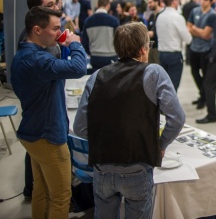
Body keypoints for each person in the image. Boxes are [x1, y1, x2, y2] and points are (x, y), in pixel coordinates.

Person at [74, 22, 185, 219]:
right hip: (137, 167)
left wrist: (107, 137)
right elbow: (177, 118)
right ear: (144, 48)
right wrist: (159, 144)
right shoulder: (153, 73)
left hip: (102, 168)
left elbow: (80, 128)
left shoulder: (96, 76)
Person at [11, 6, 87, 218]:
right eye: (55, 29)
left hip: (33, 133)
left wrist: (61, 45)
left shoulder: (26, 54)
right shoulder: (37, 61)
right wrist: (74, 45)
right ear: (37, 30)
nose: (59, 32)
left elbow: (59, 68)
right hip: (48, 137)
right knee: (61, 196)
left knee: (42, 190)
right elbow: (78, 67)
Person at [18, 0, 61, 201]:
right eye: (50, 5)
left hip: (46, 111)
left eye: (56, 3)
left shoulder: (42, 39)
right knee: (60, 196)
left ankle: (33, 189)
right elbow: (71, 67)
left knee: (42, 187)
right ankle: (30, 188)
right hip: (44, 122)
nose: (56, 7)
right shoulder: (31, 46)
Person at [156, 0, 192, 91]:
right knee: (172, 87)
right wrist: (188, 32)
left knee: (164, 85)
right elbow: (188, 39)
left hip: (162, 54)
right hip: (174, 55)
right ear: (174, 1)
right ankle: (169, 106)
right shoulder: (177, 17)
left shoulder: (160, 16)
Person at [187, 0, 216, 109]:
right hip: (194, 48)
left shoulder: (212, 15)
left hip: (206, 49)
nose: (202, 2)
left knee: (205, 75)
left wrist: (194, 29)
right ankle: (202, 94)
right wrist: (198, 31)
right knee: (194, 73)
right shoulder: (195, 11)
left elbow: (206, 34)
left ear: (210, 1)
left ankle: (203, 98)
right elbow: (188, 27)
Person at [81, 0, 119, 71]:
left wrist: (90, 52)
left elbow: (84, 42)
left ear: (97, 5)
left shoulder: (88, 21)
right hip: (111, 56)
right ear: (108, 6)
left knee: (96, 80)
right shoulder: (114, 21)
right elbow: (119, 40)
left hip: (95, 57)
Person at [146, 0, 163, 64]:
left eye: (150, 2)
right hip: (150, 48)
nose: (149, 5)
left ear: (157, 2)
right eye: (148, 3)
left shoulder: (162, 15)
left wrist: (151, 33)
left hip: (159, 48)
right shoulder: (151, 16)